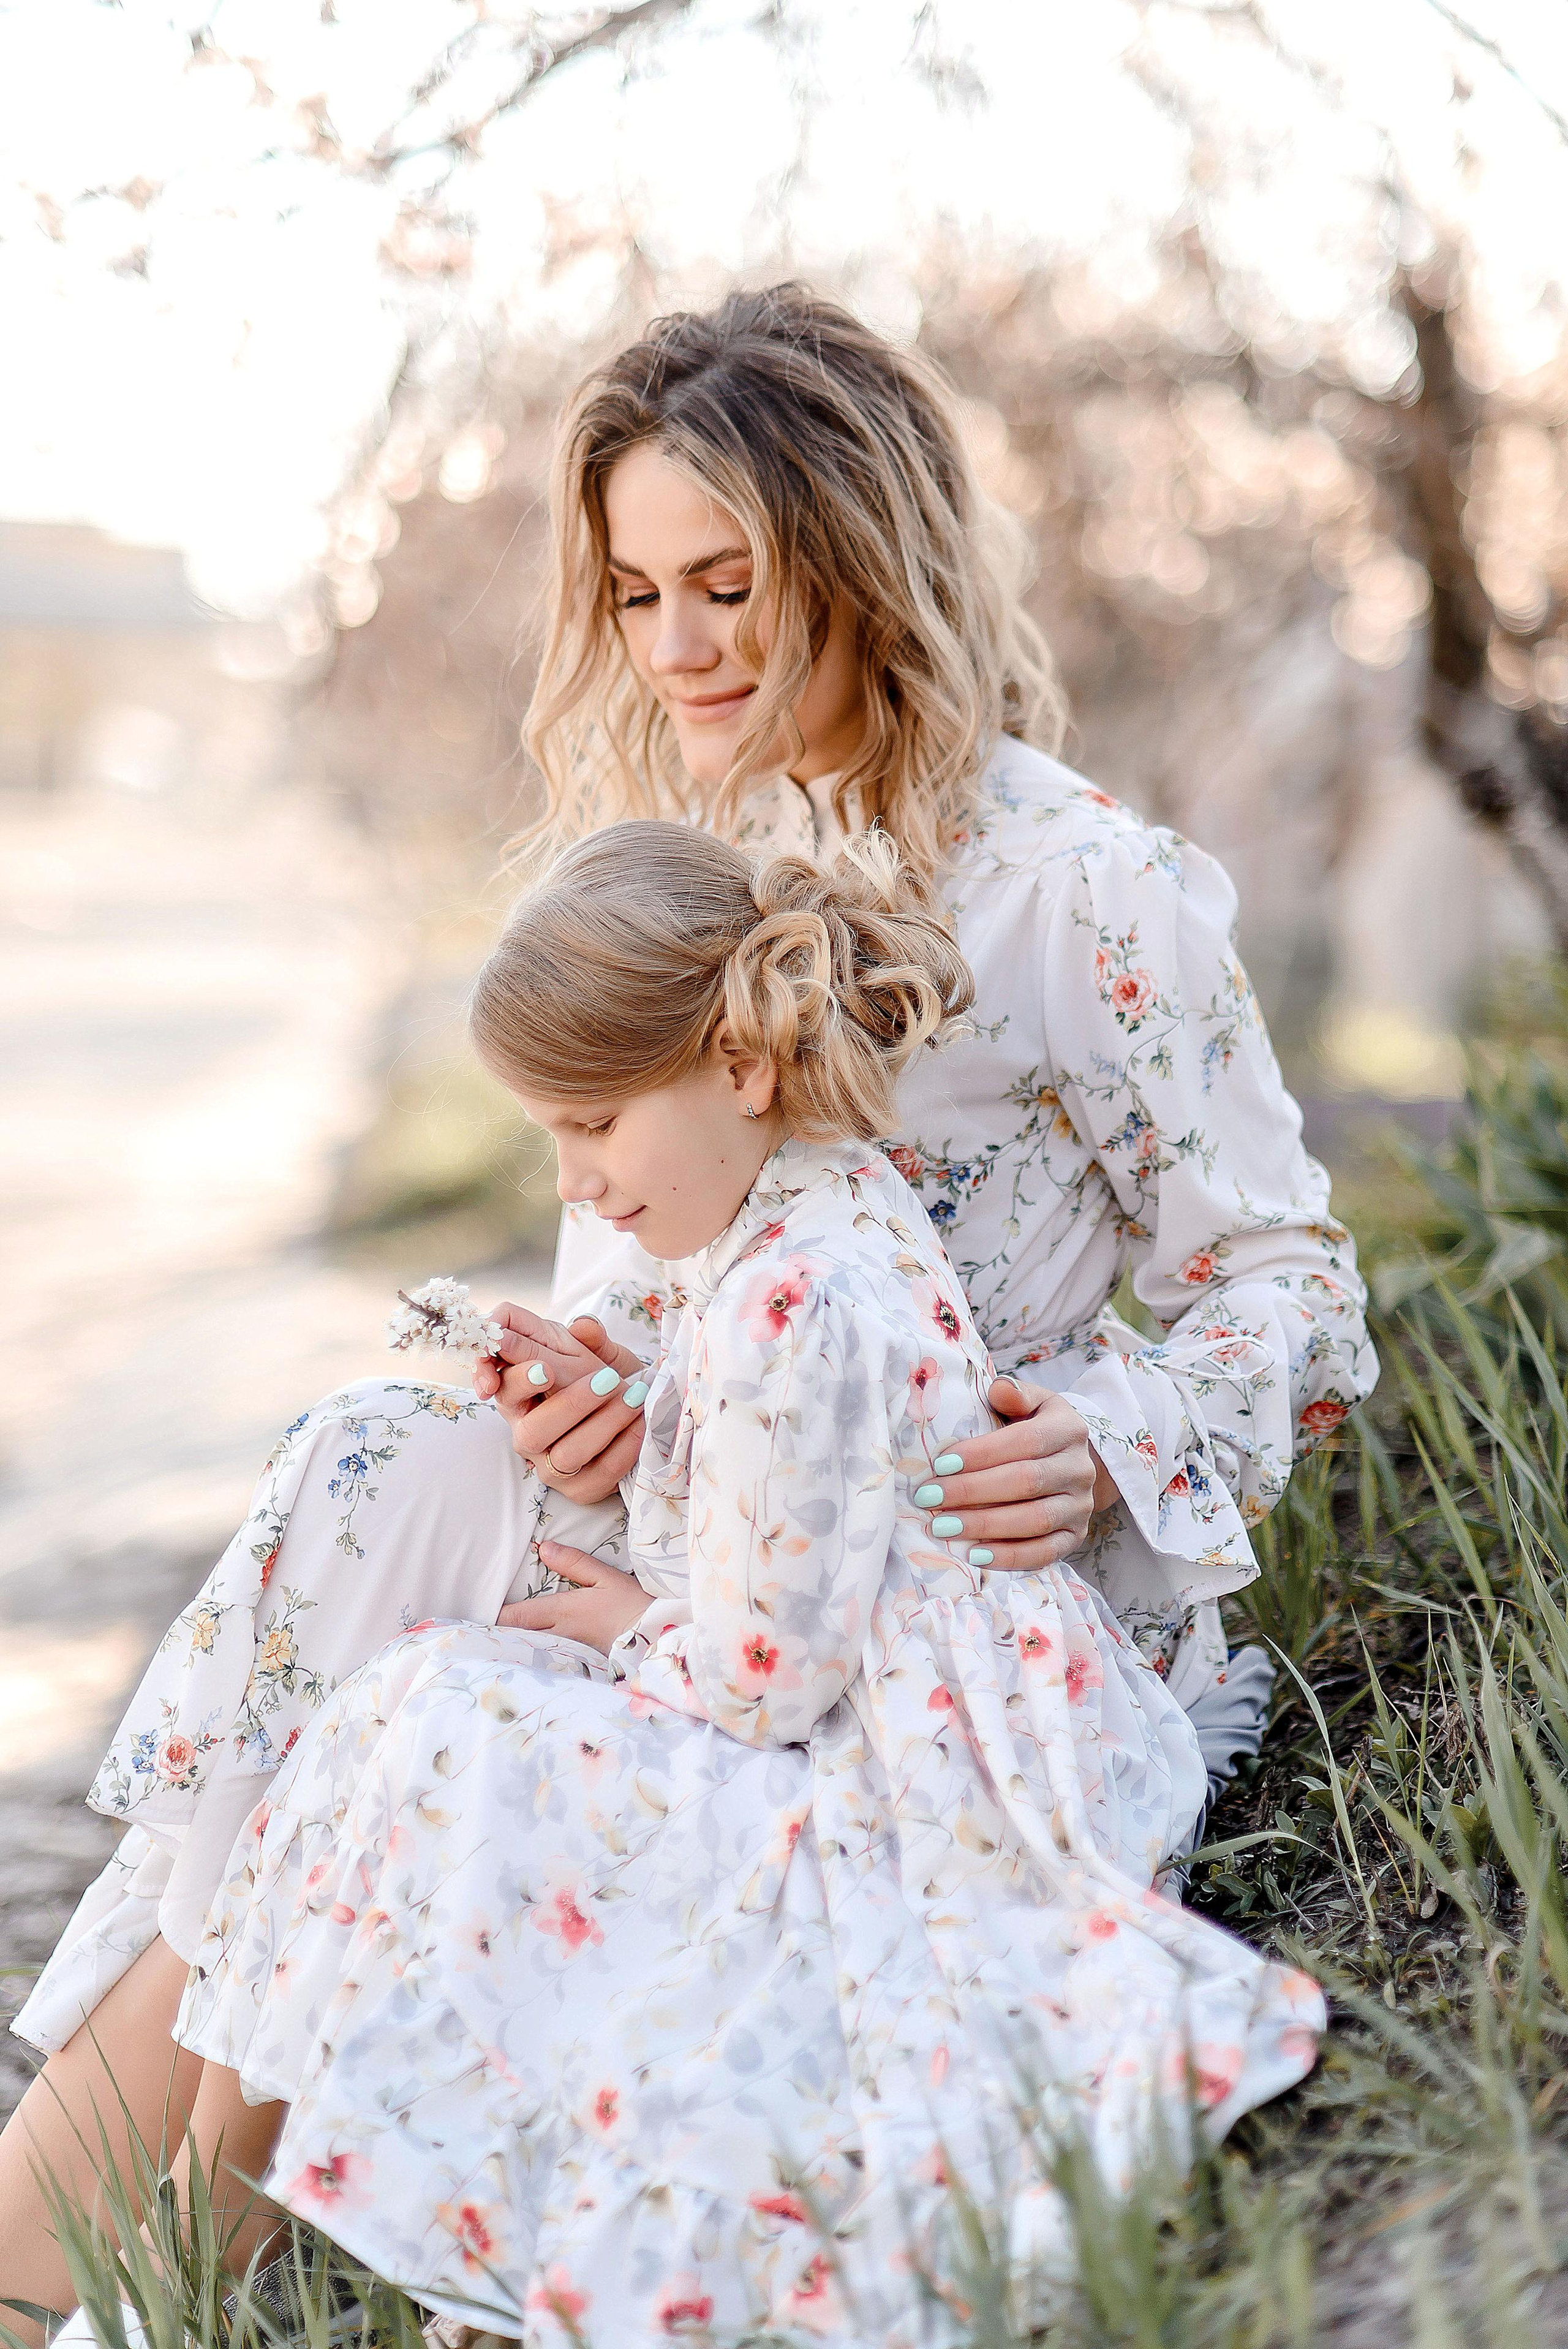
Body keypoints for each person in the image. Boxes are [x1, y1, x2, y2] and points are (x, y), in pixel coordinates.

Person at [0, 282, 1371, 2327]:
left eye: (730, 583)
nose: (682, 646)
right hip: (711, 1519)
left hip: (948, 1595)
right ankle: (96, 2246)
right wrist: (594, 1407)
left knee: (401, 1565)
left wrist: (1112, 1432)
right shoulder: (695, 859)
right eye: (639, 594)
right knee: (388, 1450)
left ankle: (83, 2257)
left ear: (862, 559)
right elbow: (666, 1294)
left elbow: (1294, 1286)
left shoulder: (1084, 889)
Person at [69, 822, 1327, 2345]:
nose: (575, 1183)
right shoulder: (795, 1222)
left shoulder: (789, 1304)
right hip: (872, 1711)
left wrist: (613, 1623)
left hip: (901, 1783)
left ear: (740, 1068)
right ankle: (235, 2246)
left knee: (428, 1723)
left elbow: (761, 1680)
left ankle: (263, 2251)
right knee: (413, 1723)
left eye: (591, 1126)